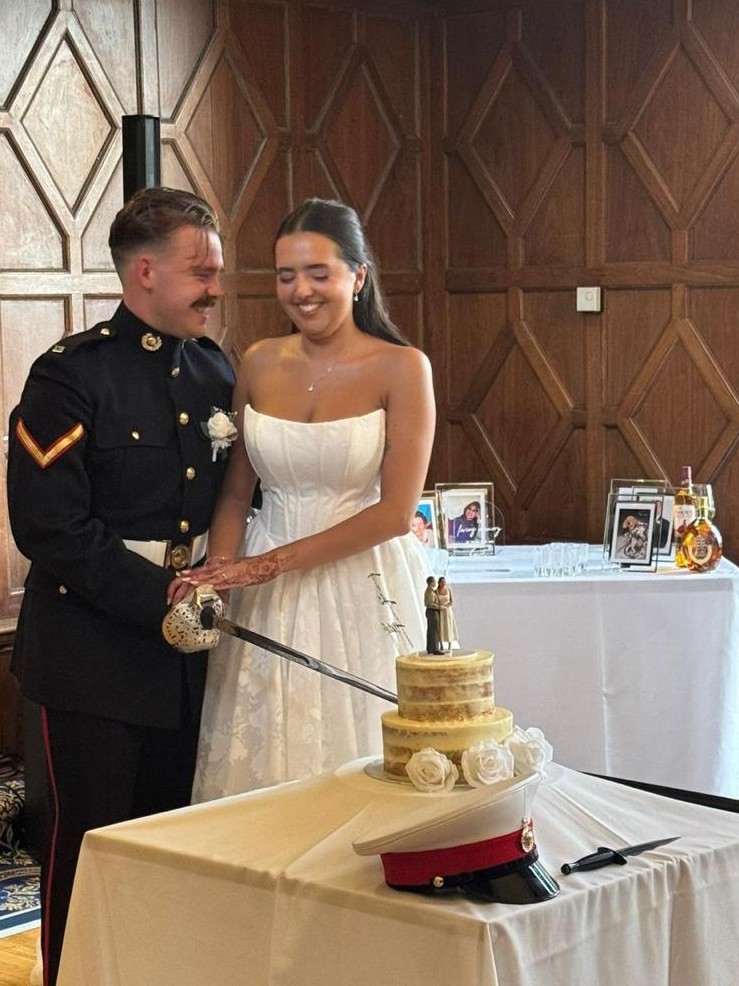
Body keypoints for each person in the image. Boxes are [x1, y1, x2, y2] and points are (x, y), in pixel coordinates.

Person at [6, 186, 235, 986]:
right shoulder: (69, 378)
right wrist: (161, 602)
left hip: (193, 655)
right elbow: (49, 527)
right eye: (200, 271)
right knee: (90, 854)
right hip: (91, 659)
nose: (216, 285)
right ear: (144, 273)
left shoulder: (213, 369)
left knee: (178, 849)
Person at [177, 197, 436, 800]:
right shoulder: (261, 361)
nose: (302, 291)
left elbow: (397, 512)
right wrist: (218, 575)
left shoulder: (403, 368)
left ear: (358, 275)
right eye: (286, 276)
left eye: (319, 273)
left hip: (360, 578)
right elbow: (237, 492)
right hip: (260, 588)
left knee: (359, 748)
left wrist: (263, 566)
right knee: (261, 752)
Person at [437, 576, 458, 650]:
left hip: (447, 611)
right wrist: (439, 607)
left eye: (444, 582)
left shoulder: (448, 590)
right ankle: (441, 645)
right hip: (440, 610)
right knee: (440, 627)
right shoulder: (436, 591)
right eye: (442, 582)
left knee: (449, 626)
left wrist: (446, 606)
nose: (443, 583)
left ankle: (450, 645)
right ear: (439, 583)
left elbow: (451, 601)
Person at [424, 576, 444, 655]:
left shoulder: (431, 591)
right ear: (431, 583)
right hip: (432, 611)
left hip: (431, 611)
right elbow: (429, 603)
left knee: (431, 630)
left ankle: (430, 648)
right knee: (434, 630)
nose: (435, 583)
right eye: (434, 582)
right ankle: (435, 648)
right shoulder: (430, 592)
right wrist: (439, 607)